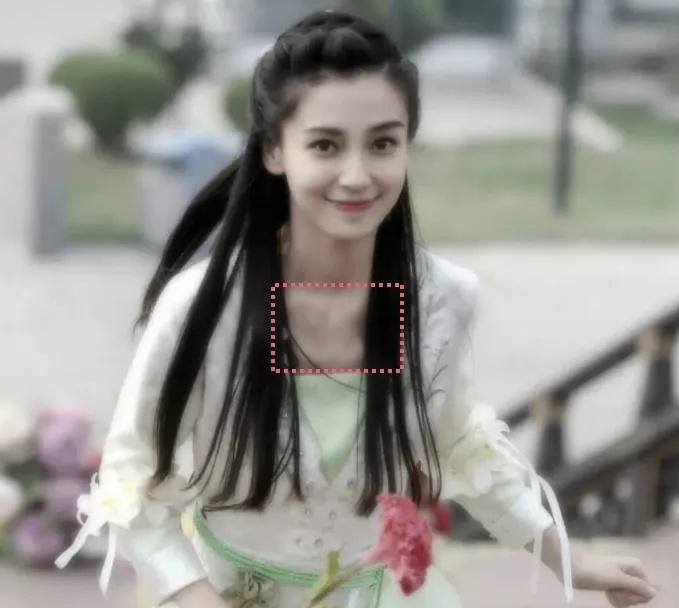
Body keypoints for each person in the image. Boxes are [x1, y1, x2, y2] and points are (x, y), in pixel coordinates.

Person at [54, 9, 659, 608]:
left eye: (383, 144)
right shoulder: (206, 309)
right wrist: (197, 597)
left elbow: (462, 450)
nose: (357, 175)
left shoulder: (440, 300)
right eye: (325, 145)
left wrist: (571, 561)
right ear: (274, 150)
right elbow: (132, 482)